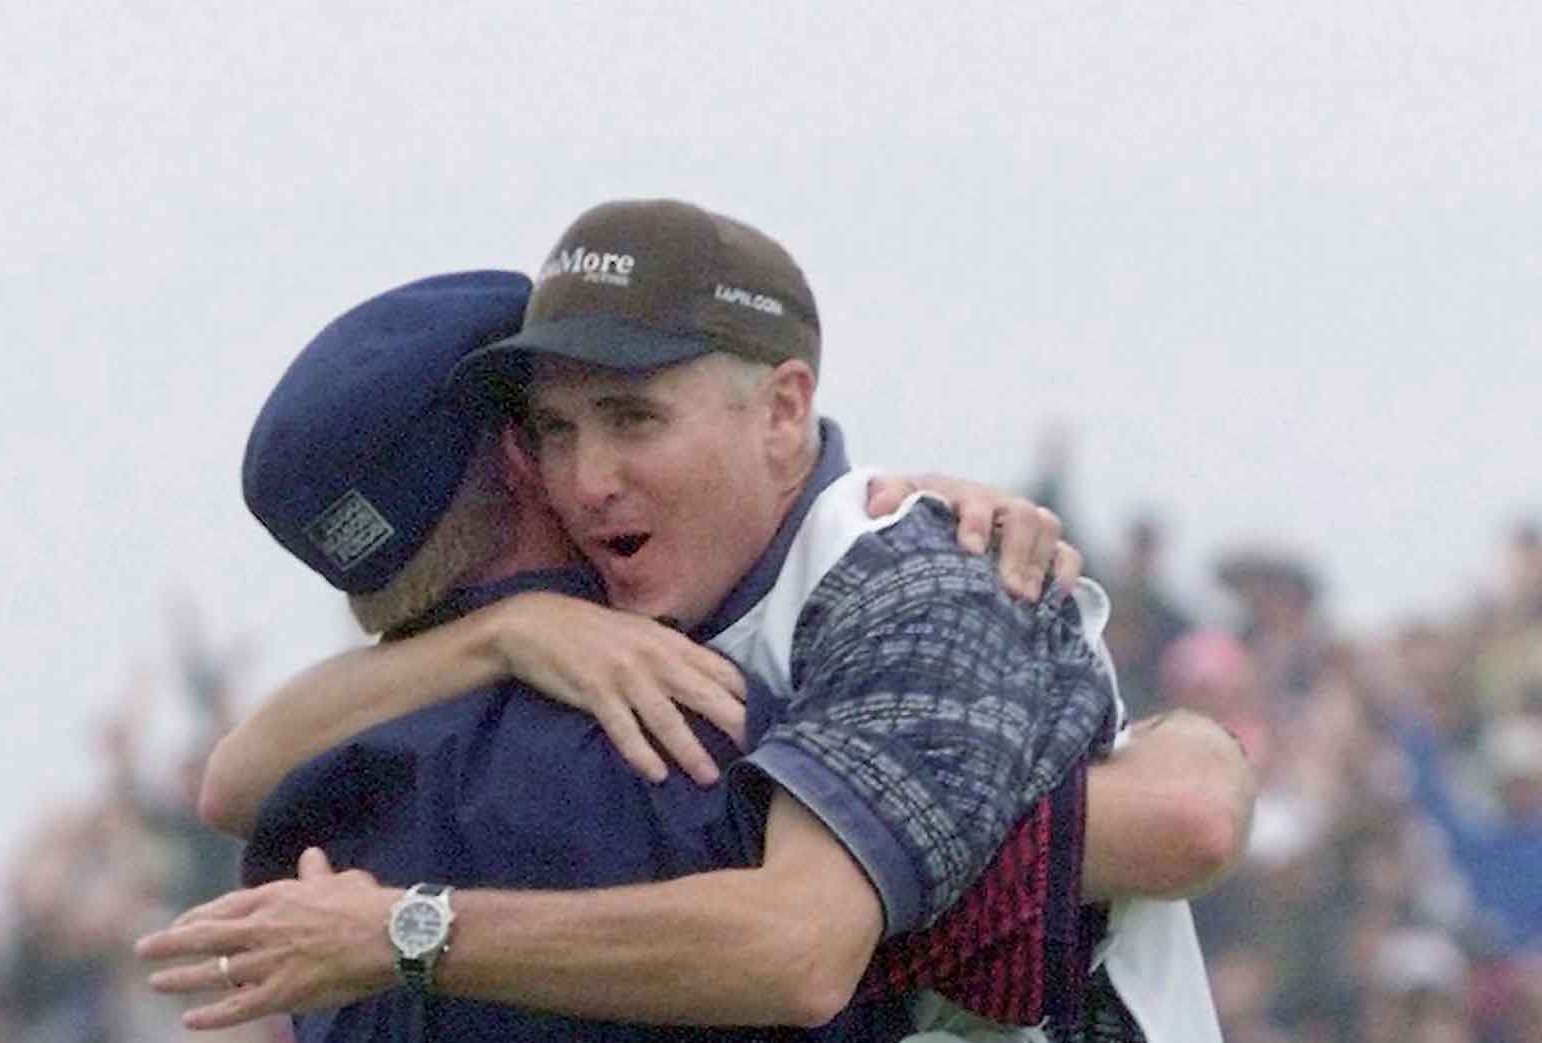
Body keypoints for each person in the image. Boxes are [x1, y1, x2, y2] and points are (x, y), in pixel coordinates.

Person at [142, 202, 1246, 1040]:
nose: (588, 477)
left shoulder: (916, 584)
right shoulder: (619, 649)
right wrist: (496, 633)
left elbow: (796, 943)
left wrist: (397, 932)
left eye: (632, 419)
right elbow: (235, 771)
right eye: (556, 430)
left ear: (781, 412)